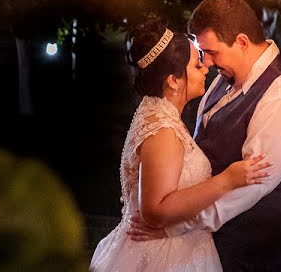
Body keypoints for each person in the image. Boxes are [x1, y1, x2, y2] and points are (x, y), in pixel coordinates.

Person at [130, 0, 281, 271]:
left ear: (242, 42)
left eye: (211, 52)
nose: (206, 63)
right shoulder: (224, 78)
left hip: (272, 256)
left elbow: (250, 187)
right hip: (222, 251)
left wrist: (173, 227)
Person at [90, 20, 271, 272]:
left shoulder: (156, 112)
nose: (206, 68)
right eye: (197, 65)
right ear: (174, 80)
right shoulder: (163, 130)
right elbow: (154, 211)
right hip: (163, 258)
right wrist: (227, 180)